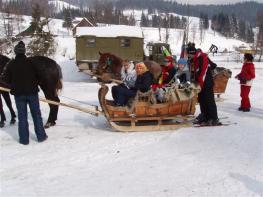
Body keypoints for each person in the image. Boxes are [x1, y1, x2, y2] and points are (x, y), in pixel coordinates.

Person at [2, 41, 48, 145]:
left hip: (19, 95)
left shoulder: (11, 64)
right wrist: (35, 82)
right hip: (32, 93)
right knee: (36, 115)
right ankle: (41, 136)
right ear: (24, 51)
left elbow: (5, 79)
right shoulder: (31, 62)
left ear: (15, 52)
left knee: (22, 117)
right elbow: (40, 75)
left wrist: (13, 84)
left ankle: (24, 140)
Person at [186, 42, 221, 126]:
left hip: (206, 83)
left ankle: (213, 118)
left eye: (189, 55)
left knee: (209, 100)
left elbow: (202, 73)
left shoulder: (202, 58)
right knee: (202, 100)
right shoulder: (197, 58)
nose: (188, 57)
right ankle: (205, 116)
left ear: (192, 53)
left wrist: (200, 85)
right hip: (201, 83)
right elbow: (212, 65)